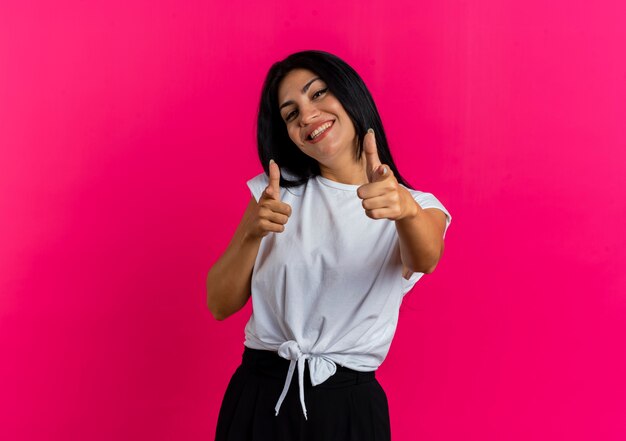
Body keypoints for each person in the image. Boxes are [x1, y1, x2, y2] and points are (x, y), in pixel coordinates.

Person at [207, 50, 452, 441]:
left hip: (348, 405)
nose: (306, 115)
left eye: (318, 94)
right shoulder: (274, 194)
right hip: (261, 392)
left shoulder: (417, 207)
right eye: (291, 113)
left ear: (350, 95)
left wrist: (404, 210)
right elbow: (219, 303)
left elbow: (426, 257)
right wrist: (253, 232)